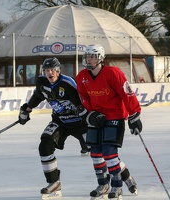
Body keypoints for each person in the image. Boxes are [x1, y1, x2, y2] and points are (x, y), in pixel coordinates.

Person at [76, 44, 143, 199]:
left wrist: (134, 115)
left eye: (92, 56)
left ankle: (117, 186)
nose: (88, 59)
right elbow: (83, 97)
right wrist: (90, 114)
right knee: (95, 153)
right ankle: (104, 184)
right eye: (87, 56)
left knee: (109, 153)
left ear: (100, 58)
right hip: (97, 118)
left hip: (115, 116)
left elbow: (127, 93)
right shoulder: (82, 76)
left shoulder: (113, 73)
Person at [18, 57, 90, 198]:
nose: (49, 73)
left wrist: (83, 113)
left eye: (52, 70)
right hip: (60, 122)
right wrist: (27, 109)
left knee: (99, 149)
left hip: (79, 123)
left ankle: (121, 177)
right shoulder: (42, 82)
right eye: (46, 70)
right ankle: (54, 183)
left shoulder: (67, 83)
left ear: (58, 71)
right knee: (45, 145)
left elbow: (82, 102)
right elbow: (38, 96)